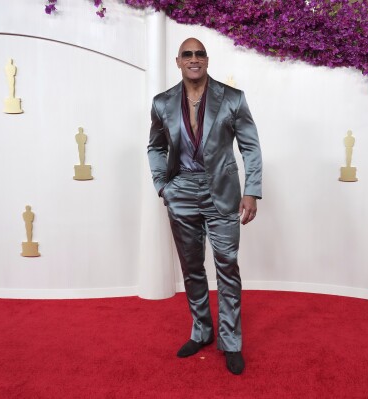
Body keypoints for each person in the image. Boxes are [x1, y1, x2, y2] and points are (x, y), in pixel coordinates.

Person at [147, 38, 262, 375]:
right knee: (192, 267)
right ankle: (202, 330)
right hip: (180, 190)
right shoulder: (162, 103)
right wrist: (162, 186)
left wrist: (252, 191)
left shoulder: (233, 99)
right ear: (178, 61)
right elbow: (154, 147)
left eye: (199, 54)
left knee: (227, 266)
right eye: (187, 55)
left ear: (207, 60)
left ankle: (231, 342)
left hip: (222, 193)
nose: (194, 59)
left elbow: (251, 148)